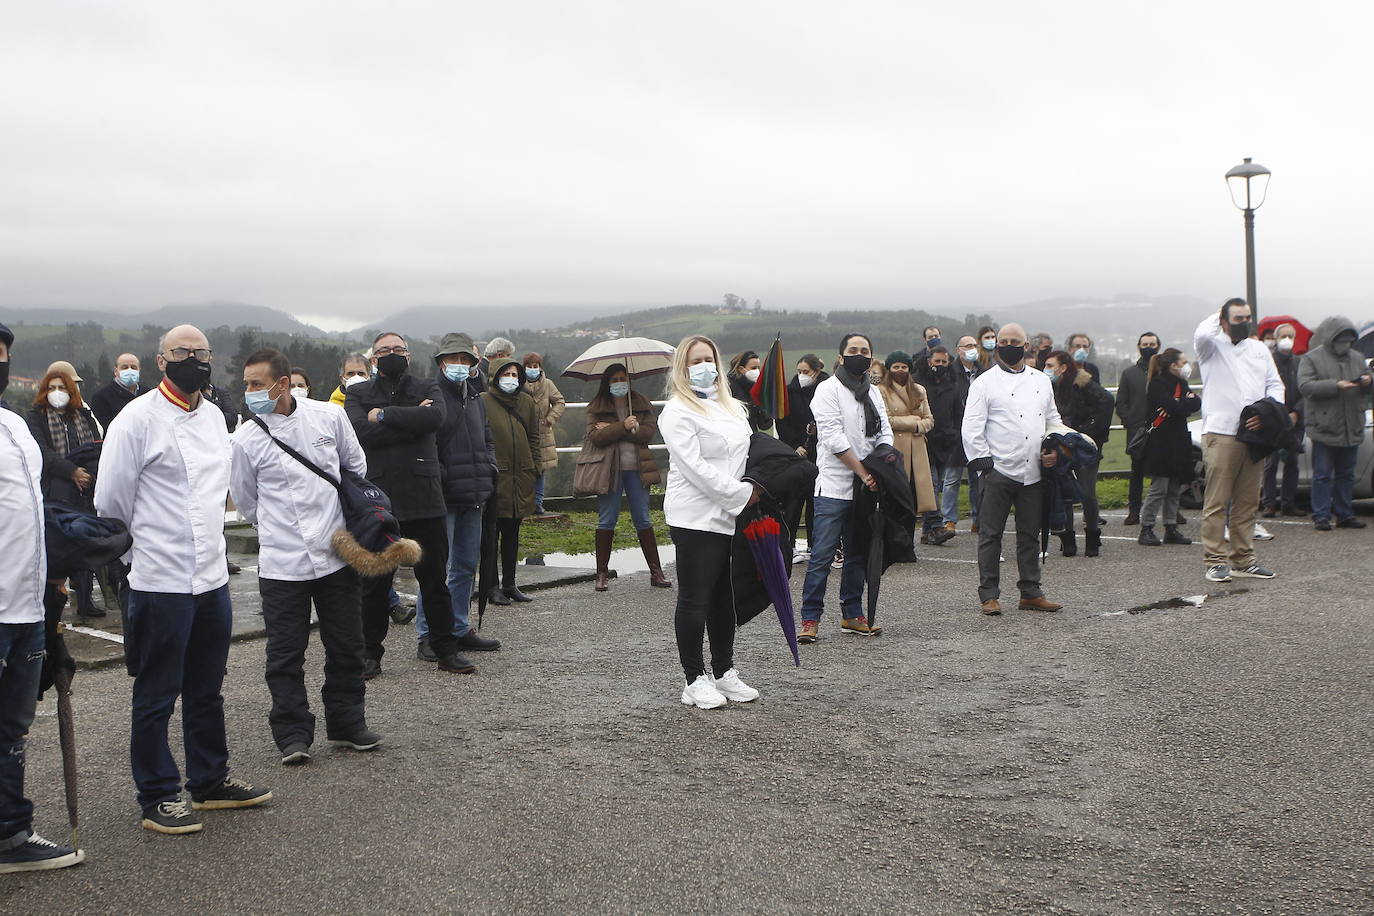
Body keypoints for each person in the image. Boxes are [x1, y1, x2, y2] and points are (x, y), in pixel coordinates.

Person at [95, 324, 270, 835]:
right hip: (159, 577)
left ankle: (210, 780)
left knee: (206, 686)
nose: (193, 360)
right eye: (182, 352)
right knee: (156, 692)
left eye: (201, 353)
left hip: (211, 576)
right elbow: (111, 503)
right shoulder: (136, 420)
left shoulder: (216, 416)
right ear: (161, 360)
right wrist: (135, 558)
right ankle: (156, 794)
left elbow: (225, 490)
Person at [229, 349, 379, 765]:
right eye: (247, 384)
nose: (250, 392)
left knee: (347, 644)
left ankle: (347, 722)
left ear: (281, 382)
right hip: (282, 563)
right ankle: (293, 733)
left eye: (257, 384)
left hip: (336, 552)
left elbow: (355, 467)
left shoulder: (328, 418)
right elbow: (247, 499)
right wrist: (280, 529)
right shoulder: (245, 439)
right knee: (284, 654)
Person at [0, 323, 85, 872]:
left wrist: (61, 565)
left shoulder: (12, 426)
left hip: (27, 606)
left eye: (2, 355)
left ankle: (9, 833)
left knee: (12, 727)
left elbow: (30, 512)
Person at [344, 331, 476, 677]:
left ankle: (446, 648)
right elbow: (360, 431)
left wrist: (384, 416)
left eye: (398, 349)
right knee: (375, 585)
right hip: (380, 500)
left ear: (409, 354)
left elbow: (434, 420)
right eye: (384, 350)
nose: (392, 354)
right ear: (373, 358)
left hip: (425, 496)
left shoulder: (426, 387)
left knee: (434, 581)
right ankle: (369, 655)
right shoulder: (357, 393)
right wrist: (409, 419)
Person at [658, 335, 763, 709]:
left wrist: (753, 488)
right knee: (695, 597)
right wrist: (739, 495)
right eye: (694, 361)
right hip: (696, 515)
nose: (703, 366)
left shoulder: (732, 407)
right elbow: (695, 467)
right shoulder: (676, 411)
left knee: (724, 598)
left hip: (731, 513)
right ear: (682, 369)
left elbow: (749, 452)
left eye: (708, 359)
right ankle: (694, 679)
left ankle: (724, 671)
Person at [961, 323, 1065, 616]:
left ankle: (1031, 591)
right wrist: (985, 467)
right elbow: (971, 429)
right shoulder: (983, 383)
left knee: (1029, 534)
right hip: (998, 470)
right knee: (991, 535)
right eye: (1003, 340)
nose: (1008, 345)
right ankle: (989, 594)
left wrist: (1052, 449)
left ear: (1026, 345)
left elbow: (1052, 419)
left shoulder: (1041, 381)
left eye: (1014, 341)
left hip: (1033, 470)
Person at [798, 333, 892, 642]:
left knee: (857, 554)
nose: (859, 355)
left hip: (866, 485)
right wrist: (864, 471)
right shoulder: (827, 390)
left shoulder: (874, 393)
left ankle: (852, 614)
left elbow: (884, 432)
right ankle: (810, 618)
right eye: (853, 350)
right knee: (823, 555)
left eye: (865, 351)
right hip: (834, 487)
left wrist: (882, 463)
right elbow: (833, 437)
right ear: (841, 356)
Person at [413, 334, 501, 662]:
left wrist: (490, 468)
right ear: (441, 362)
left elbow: (487, 438)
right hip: (443, 496)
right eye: (454, 360)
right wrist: (441, 476)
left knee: (465, 565)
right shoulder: (431, 397)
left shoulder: (476, 398)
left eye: (466, 360)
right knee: (434, 569)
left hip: (475, 493)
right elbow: (426, 443)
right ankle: (428, 634)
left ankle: (459, 627)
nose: (460, 366)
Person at [1194, 299, 1285, 583]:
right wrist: (1221, 313)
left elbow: (1275, 384)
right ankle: (1215, 559)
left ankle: (1243, 559)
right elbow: (1202, 333)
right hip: (1222, 432)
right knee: (1217, 500)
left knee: (1247, 501)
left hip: (1254, 434)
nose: (1245, 322)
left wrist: (1268, 413)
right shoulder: (1211, 346)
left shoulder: (1259, 349)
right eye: (1238, 318)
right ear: (1223, 321)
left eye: (1248, 317)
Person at [26, 365, 104, 617]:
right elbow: (41, 451)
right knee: (58, 544)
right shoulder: (36, 416)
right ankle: (53, 600)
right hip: (54, 487)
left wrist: (87, 474)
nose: (56, 392)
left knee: (84, 541)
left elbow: (95, 445)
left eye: (61, 388)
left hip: (85, 488)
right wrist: (71, 471)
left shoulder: (83, 415)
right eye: (51, 388)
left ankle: (85, 599)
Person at [584, 363, 670, 591]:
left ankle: (656, 572)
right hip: (609, 471)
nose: (619, 383)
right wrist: (623, 426)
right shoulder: (597, 406)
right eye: (614, 380)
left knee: (643, 518)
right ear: (607, 383)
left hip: (638, 470)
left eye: (623, 378)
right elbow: (596, 437)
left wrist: (614, 428)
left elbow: (648, 432)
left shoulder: (640, 402)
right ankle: (601, 574)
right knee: (607, 519)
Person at [1298, 317, 1372, 531]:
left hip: (1352, 425)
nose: (1346, 345)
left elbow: (1368, 378)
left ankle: (1345, 514)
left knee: (1346, 474)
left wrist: (1368, 380)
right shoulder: (1311, 359)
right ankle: (1321, 516)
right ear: (1331, 338)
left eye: (1349, 341)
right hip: (1325, 427)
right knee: (1322, 475)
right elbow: (1305, 385)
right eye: (1342, 340)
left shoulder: (1357, 358)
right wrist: (1335, 385)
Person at [480, 359, 541, 606]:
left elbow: (535, 437)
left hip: (522, 475)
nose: (511, 378)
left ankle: (510, 583)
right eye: (506, 373)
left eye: (515, 374)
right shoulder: (484, 402)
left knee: (513, 531)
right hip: (496, 476)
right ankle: (491, 586)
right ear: (495, 376)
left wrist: (535, 468)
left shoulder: (526, 402)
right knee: (491, 533)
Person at [1042, 350, 1113, 557]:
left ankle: (1092, 536)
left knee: (1087, 492)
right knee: (1064, 491)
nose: (1046, 370)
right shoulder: (1048, 387)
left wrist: (1088, 432)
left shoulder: (1083, 384)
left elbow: (1106, 401)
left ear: (1062, 367)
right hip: (1061, 444)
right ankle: (1068, 539)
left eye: (1049, 365)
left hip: (1082, 445)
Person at [876, 351, 939, 550]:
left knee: (913, 497)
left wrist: (920, 426)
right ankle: (893, 543)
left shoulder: (919, 390)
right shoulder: (881, 391)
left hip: (918, 450)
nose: (900, 370)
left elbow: (929, 419)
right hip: (895, 448)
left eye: (904, 367)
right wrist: (913, 422)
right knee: (895, 497)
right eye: (896, 367)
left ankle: (907, 545)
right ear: (889, 369)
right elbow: (886, 419)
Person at [1138, 349, 1200, 547]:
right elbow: (1176, 407)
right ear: (1174, 365)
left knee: (1174, 487)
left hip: (1179, 440)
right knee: (1159, 487)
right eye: (1183, 361)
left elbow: (1195, 403)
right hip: (1161, 443)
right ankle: (1146, 527)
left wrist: (1181, 403)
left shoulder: (1181, 383)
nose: (1186, 364)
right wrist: (1183, 403)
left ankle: (1170, 527)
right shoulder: (1157, 383)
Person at [776, 354, 827, 551]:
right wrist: (793, 445)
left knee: (815, 502)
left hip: (819, 453)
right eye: (799, 372)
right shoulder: (790, 392)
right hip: (797, 454)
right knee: (793, 503)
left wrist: (818, 431)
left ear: (816, 372)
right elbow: (782, 421)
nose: (801, 376)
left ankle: (816, 544)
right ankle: (788, 545)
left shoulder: (825, 390)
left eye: (806, 372)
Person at [1115, 332, 1161, 525]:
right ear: (1138, 347)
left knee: (1165, 472)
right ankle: (1134, 511)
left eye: (1152, 343)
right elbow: (1121, 403)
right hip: (1138, 432)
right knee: (1137, 473)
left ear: (1158, 346)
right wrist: (1131, 421)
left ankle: (1171, 510)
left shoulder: (1163, 371)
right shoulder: (1129, 373)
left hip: (1161, 430)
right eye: (1145, 344)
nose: (1148, 346)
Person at [922, 345, 966, 543]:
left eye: (944, 362)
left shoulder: (952, 384)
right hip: (925, 441)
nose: (940, 365)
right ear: (929, 361)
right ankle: (937, 525)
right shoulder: (919, 383)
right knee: (930, 485)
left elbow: (958, 412)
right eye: (936, 361)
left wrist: (955, 434)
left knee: (936, 484)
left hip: (945, 443)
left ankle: (926, 532)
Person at [1261, 323, 1304, 517]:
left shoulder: (1300, 363)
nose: (1287, 339)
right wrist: (1278, 414)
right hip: (1274, 422)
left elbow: (1305, 390)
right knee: (1271, 463)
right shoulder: (1269, 362)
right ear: (1276, 339)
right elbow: (1265, 390)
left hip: (1295, 422)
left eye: (1290, 336)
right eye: (1283, 336)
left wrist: (1296, 413)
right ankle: (1269, 503)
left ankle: (1289, 503)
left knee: (1292, 463)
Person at [521, 352, 566, 515]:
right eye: (529, 366)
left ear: (540, 367)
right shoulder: (518, 384)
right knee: (524, 470)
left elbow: (560, 402)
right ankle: (525, 503)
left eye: (535, 366)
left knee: (541, 470)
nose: (533, 369)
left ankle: (538, 503)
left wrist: (550, 418)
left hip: (543, 434)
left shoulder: (548, 384)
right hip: (523, 434)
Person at [89, 352, 150, 432]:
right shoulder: (101, 397)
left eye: (133, 367)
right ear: (115, 371)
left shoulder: (148, 394)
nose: (129, 370)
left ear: (139, 370)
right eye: (124, 367)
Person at [728, 350, 775, 433]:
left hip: (752, 436)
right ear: (741, 369)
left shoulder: (757, 389)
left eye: (758, 368)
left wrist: (766, 406)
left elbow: (764, 425)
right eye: (753, 368)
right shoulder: (728, 387)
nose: (757, 371)